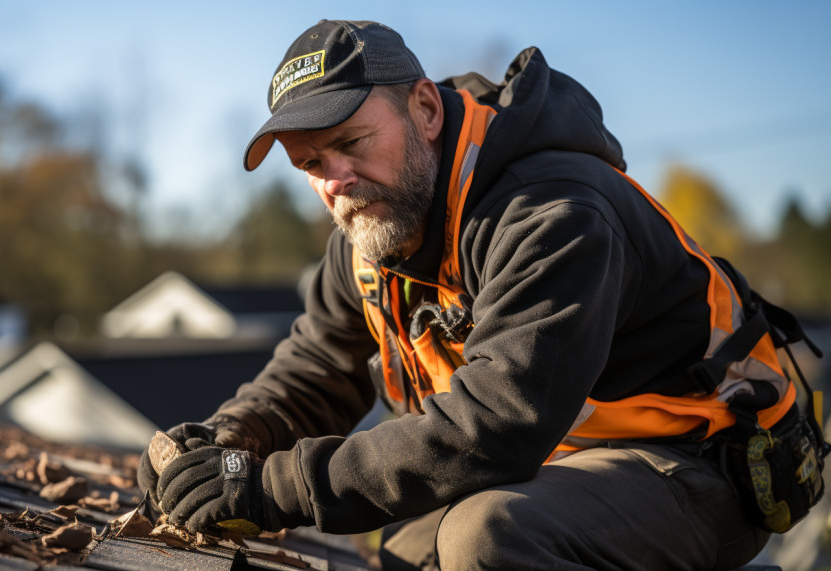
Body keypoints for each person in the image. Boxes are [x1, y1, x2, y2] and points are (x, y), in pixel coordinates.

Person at [138, 19, 823, 569]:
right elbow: (316, 367)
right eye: (311, 163)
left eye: (351, 141)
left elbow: (497, 424)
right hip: (565, 466)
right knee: (406, 547)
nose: (336, 179)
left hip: (697, 463)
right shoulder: (373, 231)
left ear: (425, 109)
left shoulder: (553, 212)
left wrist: (271, 488)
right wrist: (227, 440)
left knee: (486, 539)